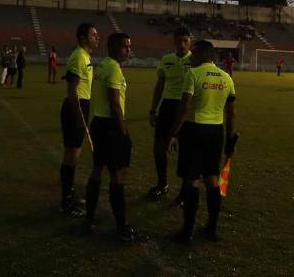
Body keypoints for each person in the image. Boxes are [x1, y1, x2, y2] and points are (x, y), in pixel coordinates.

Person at [168, 40, 237, 244]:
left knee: (192, 180)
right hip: (216, 131)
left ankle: (187, 232)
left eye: (194, 53)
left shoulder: (193, 74)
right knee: (212, 179)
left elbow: (184, 108)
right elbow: (231, 113)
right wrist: (229, 140)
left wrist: (173, 134)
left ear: (202, 54)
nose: (191, 56)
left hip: (194, 129)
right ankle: (211, 229)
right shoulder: (226, 78)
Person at [84, 32, 145, 242]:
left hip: (98, 123)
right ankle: (121, 226)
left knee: (97, 169)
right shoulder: (114, 69)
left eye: (129, 46)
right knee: (118, 175)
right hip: (111, 126)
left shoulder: (102, 65)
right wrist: (123, 131)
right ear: (112, 48)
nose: (128, 50)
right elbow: (115, 104)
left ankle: (89, 218)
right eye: (124, 47)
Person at [147, 26, 192, 202]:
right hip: (167, 106)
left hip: (185, 107)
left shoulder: (195, 61)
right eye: (179, 41)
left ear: (190, 42)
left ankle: (184, 191)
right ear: (174, 41)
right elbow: (159, 85)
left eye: (185, 41)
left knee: (186, 150)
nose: (182, 44)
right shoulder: (167, 60)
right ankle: (162, 184)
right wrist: (153, 109)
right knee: (159, 147)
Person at [59, 23, 99, 217]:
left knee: (73, 154)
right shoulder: (78, 57)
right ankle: (66, 201)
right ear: (83, 38)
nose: (97, 38)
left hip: (82, 106)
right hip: (75, 107)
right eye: (93, 35)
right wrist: (80, 116)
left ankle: (70, 194)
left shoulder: (85, 56)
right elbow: (71, 90)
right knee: (71, 155)